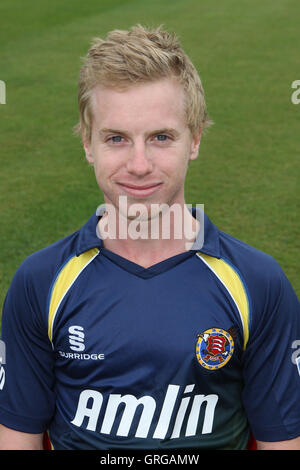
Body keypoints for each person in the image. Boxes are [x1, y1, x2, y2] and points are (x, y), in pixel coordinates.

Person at [0, 24, 299, 451]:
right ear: (88, 144)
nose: (139, 165)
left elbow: (283, 440)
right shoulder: (41, 281)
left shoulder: (257, 283)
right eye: (116, 138)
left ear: (194, 140)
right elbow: (16, 439)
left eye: (161, 137)